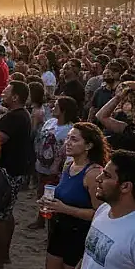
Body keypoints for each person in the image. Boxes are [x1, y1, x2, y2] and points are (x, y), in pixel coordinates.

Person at [34, 123, 107, 269]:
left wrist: (65, 209)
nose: (68, 143)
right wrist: (48, 202)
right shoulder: (68, 166)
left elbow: (100, 213)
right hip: (59, 228)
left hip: (80, 233)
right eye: (68, 138)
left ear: (89, 145)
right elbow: (60, 194)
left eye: (74, 139)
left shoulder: (94, 174)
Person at [0, 80, 34, 269]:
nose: (2, 92)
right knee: (7, 213)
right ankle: (2, 254)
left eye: (6, 90)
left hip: (8, 171)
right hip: (14, 169)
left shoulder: (15, 117)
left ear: (15, 97)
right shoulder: (18, 115)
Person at [31, 96, 80, 229]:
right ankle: (40, 219)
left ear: (64, 110)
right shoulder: (50, 122)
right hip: (41, 163)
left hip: (56, 168)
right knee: (40, 191)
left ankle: (48, 221)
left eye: (56, 106)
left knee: (51, 194)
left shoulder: (70, 129)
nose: (53, 108)